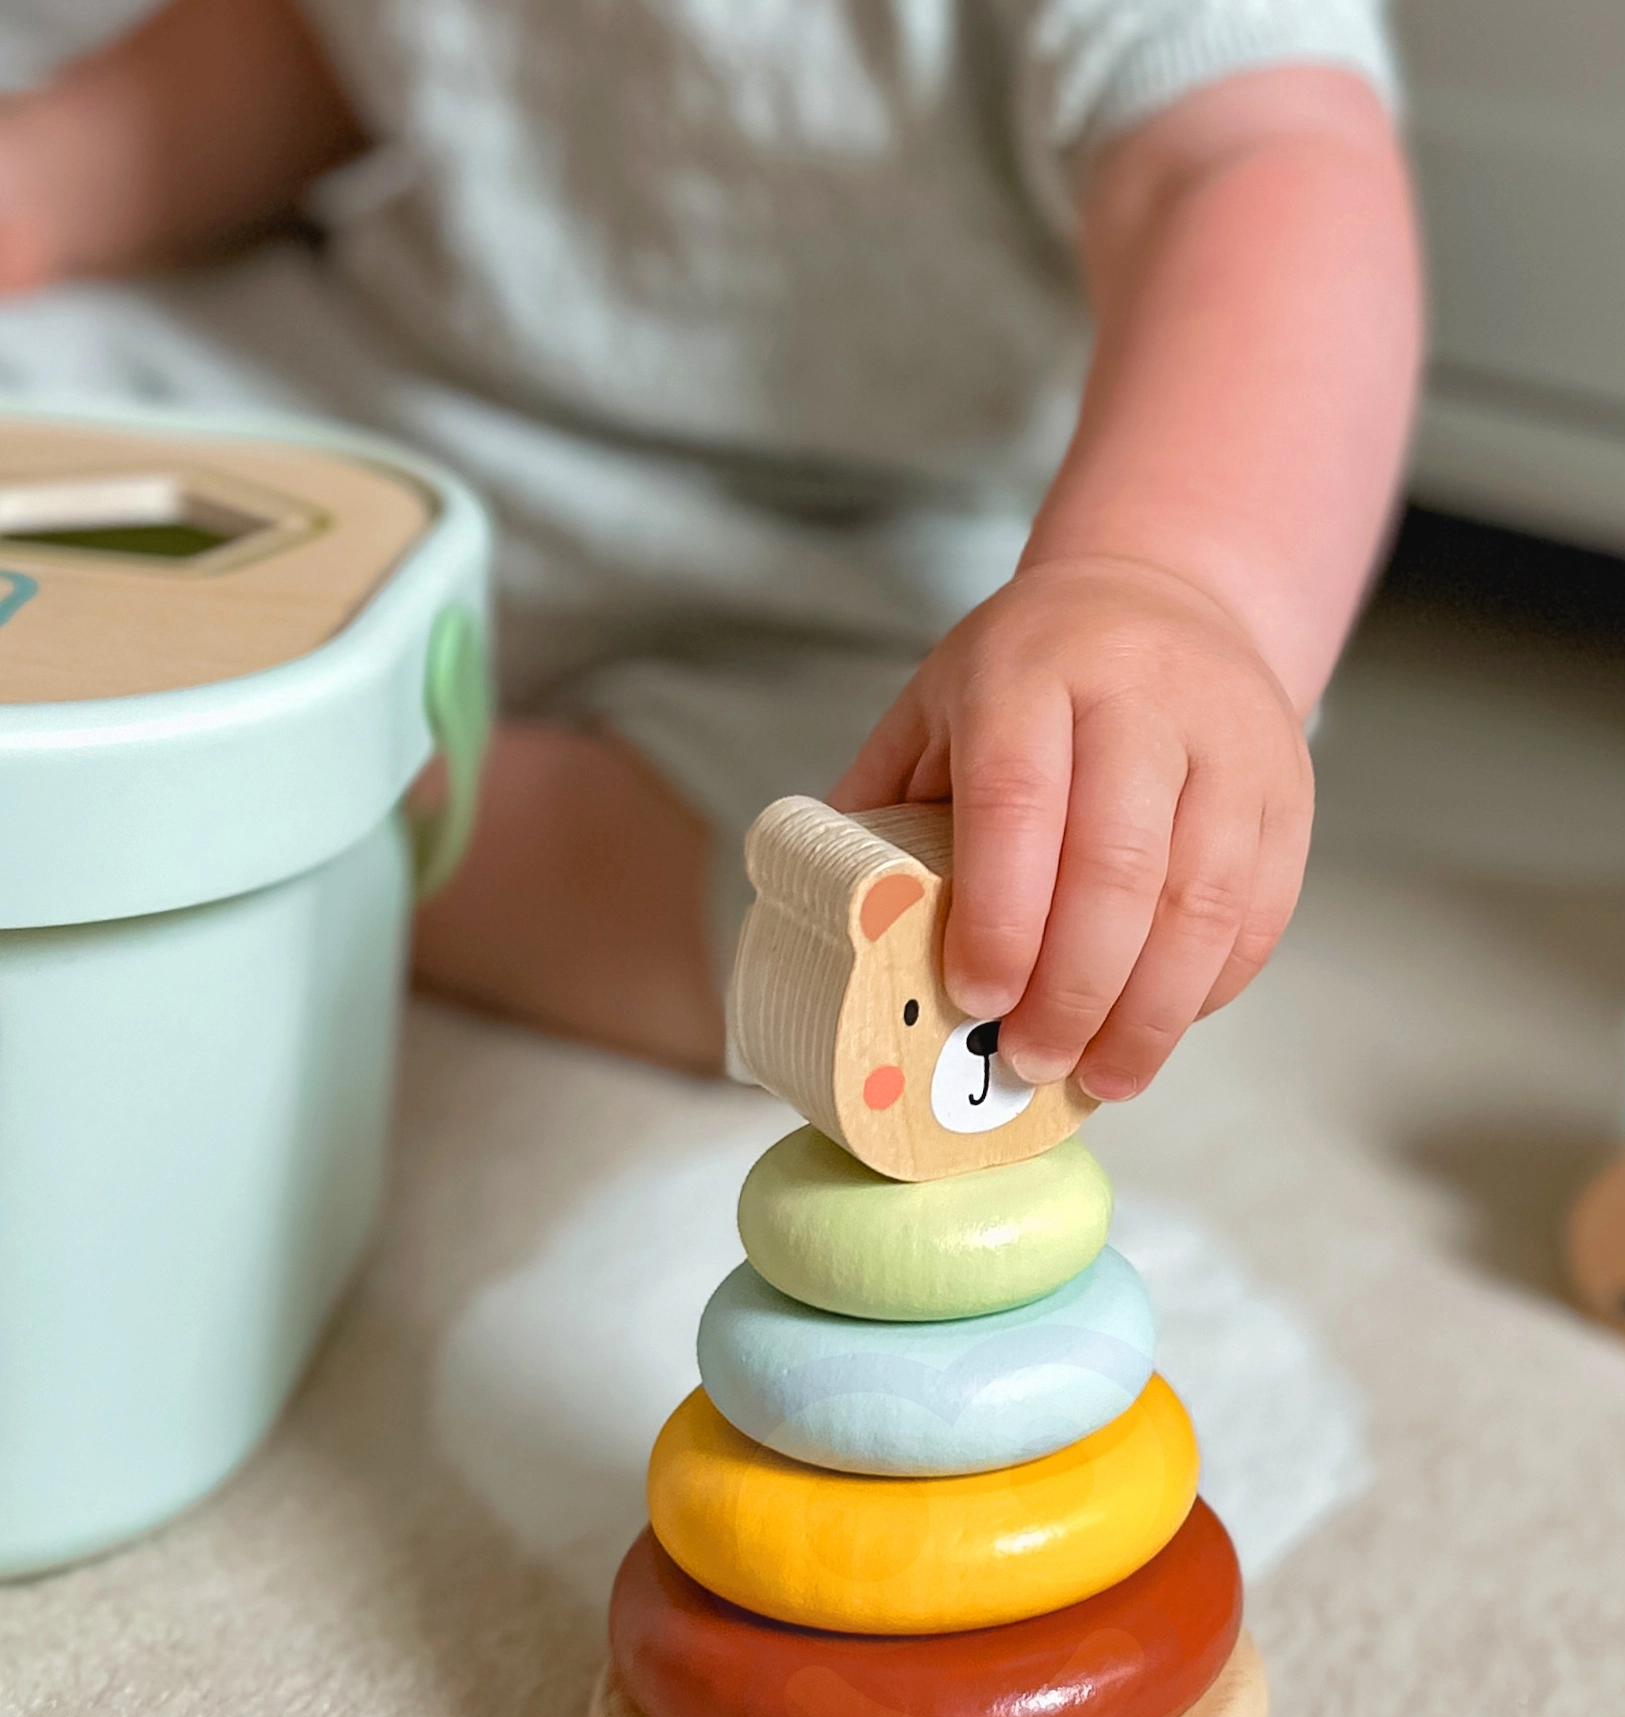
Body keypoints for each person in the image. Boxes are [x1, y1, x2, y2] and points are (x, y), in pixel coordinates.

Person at [0, 0, 1420, 1101]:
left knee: (898, 911)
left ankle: (329, 812)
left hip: (865, 555)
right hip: (387, 406)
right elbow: (324, 46)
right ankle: (204, 758)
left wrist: (1163, 586)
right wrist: (47, 181)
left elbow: (1250, 164)